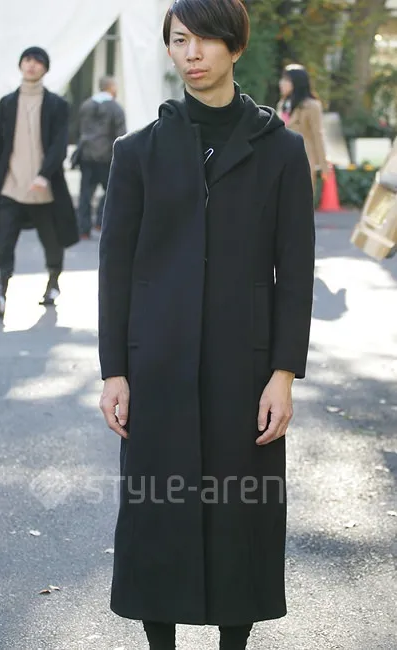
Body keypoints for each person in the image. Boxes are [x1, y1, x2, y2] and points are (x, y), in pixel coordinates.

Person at [99, 1, 315, 649]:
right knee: (156, 514)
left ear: (235, 46)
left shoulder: (281, 150)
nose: (191, 54)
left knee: (241, 514)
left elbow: (295, 271)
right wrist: (115, 371)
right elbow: (115, 269)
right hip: (157, 366)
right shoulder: (137, 152)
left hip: (244, 367)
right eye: (179, 40)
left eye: (205, 40)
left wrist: (283, 373)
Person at [0, 46, 78, 319]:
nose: (31, 65)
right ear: (20, 65)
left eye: (38, 61)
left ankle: (53, 283)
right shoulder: (7, 103)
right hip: (10, 186)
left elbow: (59, 146)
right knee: (4, 243)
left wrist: (43, 175)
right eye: (27, 60)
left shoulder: (57, 105)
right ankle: (0, 294)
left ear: (45, 69)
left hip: (43, 189)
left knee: (52, 240)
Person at [77, 76, 126, 239]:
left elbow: (80, 129)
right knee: (110, 191)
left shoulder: (86, 105)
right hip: (106, 156)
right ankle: (100, 221)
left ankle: (83, 228)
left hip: (86, 154)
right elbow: (121, 134)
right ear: (111, 87)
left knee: (85, 193)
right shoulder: (116, 108)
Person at [278, 63, 328, 191]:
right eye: (282, 79)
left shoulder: (312, 106)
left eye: (286, 80)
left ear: (297, 82)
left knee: (300, 198)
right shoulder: (282, 104)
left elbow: (318, 135)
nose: (281, 83)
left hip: (303, 159)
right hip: (281, 160)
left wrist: (324, 166)